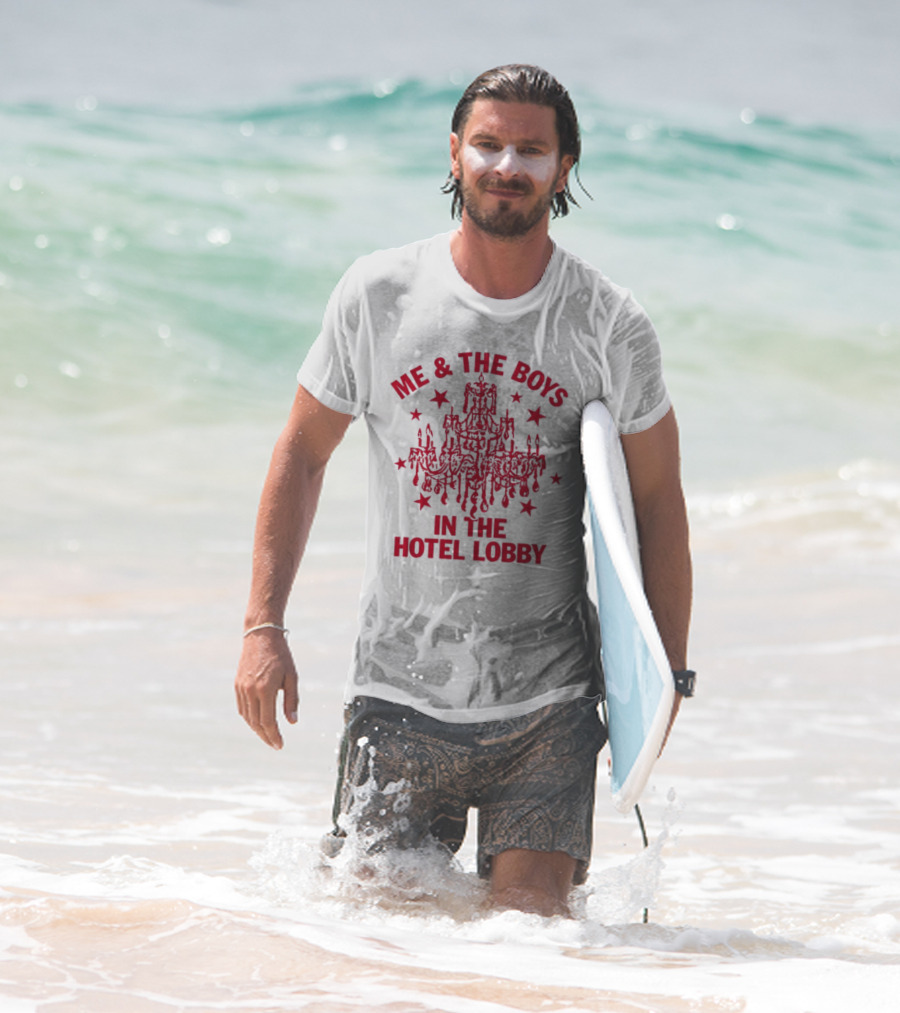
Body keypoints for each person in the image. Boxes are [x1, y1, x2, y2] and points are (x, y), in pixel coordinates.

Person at [235, 64, 692, 918]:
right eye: (487, 143)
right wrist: (264, 626)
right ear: (455, 153)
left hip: (549, 705)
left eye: (531, 148)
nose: (506, 164)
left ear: (565, 164)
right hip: (399, 699)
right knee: (378, 946)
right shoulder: (378, 295)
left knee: (529, 947)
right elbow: (300, 454)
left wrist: (669, 678)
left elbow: (658, 502)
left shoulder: (607, 322)